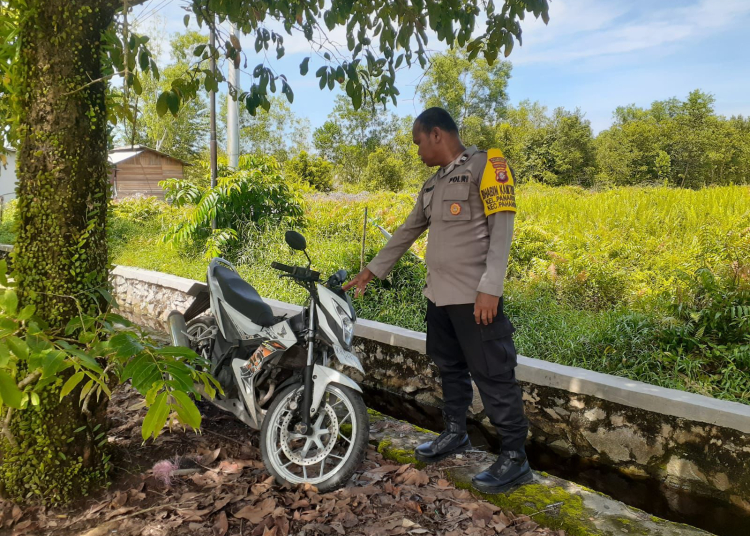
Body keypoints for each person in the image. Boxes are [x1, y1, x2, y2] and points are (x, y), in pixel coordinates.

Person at [344, 107, 531, 494]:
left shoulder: (487, 165)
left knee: (494, 374)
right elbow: (408, 230)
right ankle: (455, 433)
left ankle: (515, 457)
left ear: (435, 134)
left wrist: (491, 288)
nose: (417, 152)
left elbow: (502, 229)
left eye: (417, 143)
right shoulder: (432, 185)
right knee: (450, 369)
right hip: (440, 297)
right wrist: (371, 270)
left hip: (475, 298)